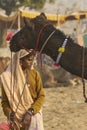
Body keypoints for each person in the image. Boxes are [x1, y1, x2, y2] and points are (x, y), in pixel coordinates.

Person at [0, 49, 45, 130]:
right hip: (15, 120)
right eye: (29, 60)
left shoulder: (35, 74)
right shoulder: (7, 78)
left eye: (33, 59)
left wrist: (31, 111)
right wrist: (9, 114)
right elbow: (4, 102)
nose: (32, 62)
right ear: (19, 60)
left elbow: (41, 96)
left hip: (33, 114)